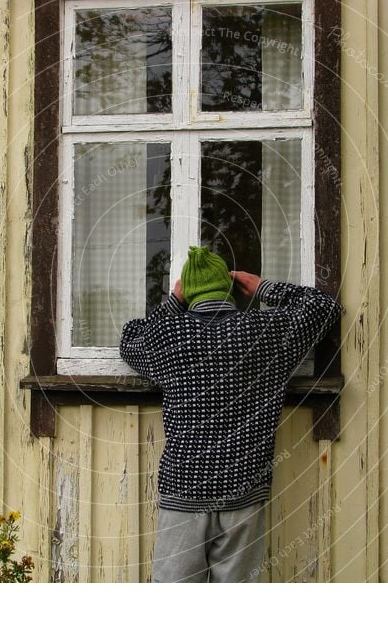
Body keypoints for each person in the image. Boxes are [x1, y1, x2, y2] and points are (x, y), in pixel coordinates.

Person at [119, 245, 343, 582]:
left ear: (189, 294)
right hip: (244, 490)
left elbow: (130, 338)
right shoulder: (263, 333)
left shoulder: (169, 336)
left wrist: (173, 303)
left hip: (184, 489)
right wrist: (262, 286)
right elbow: (325, 308)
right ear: (229, 289)